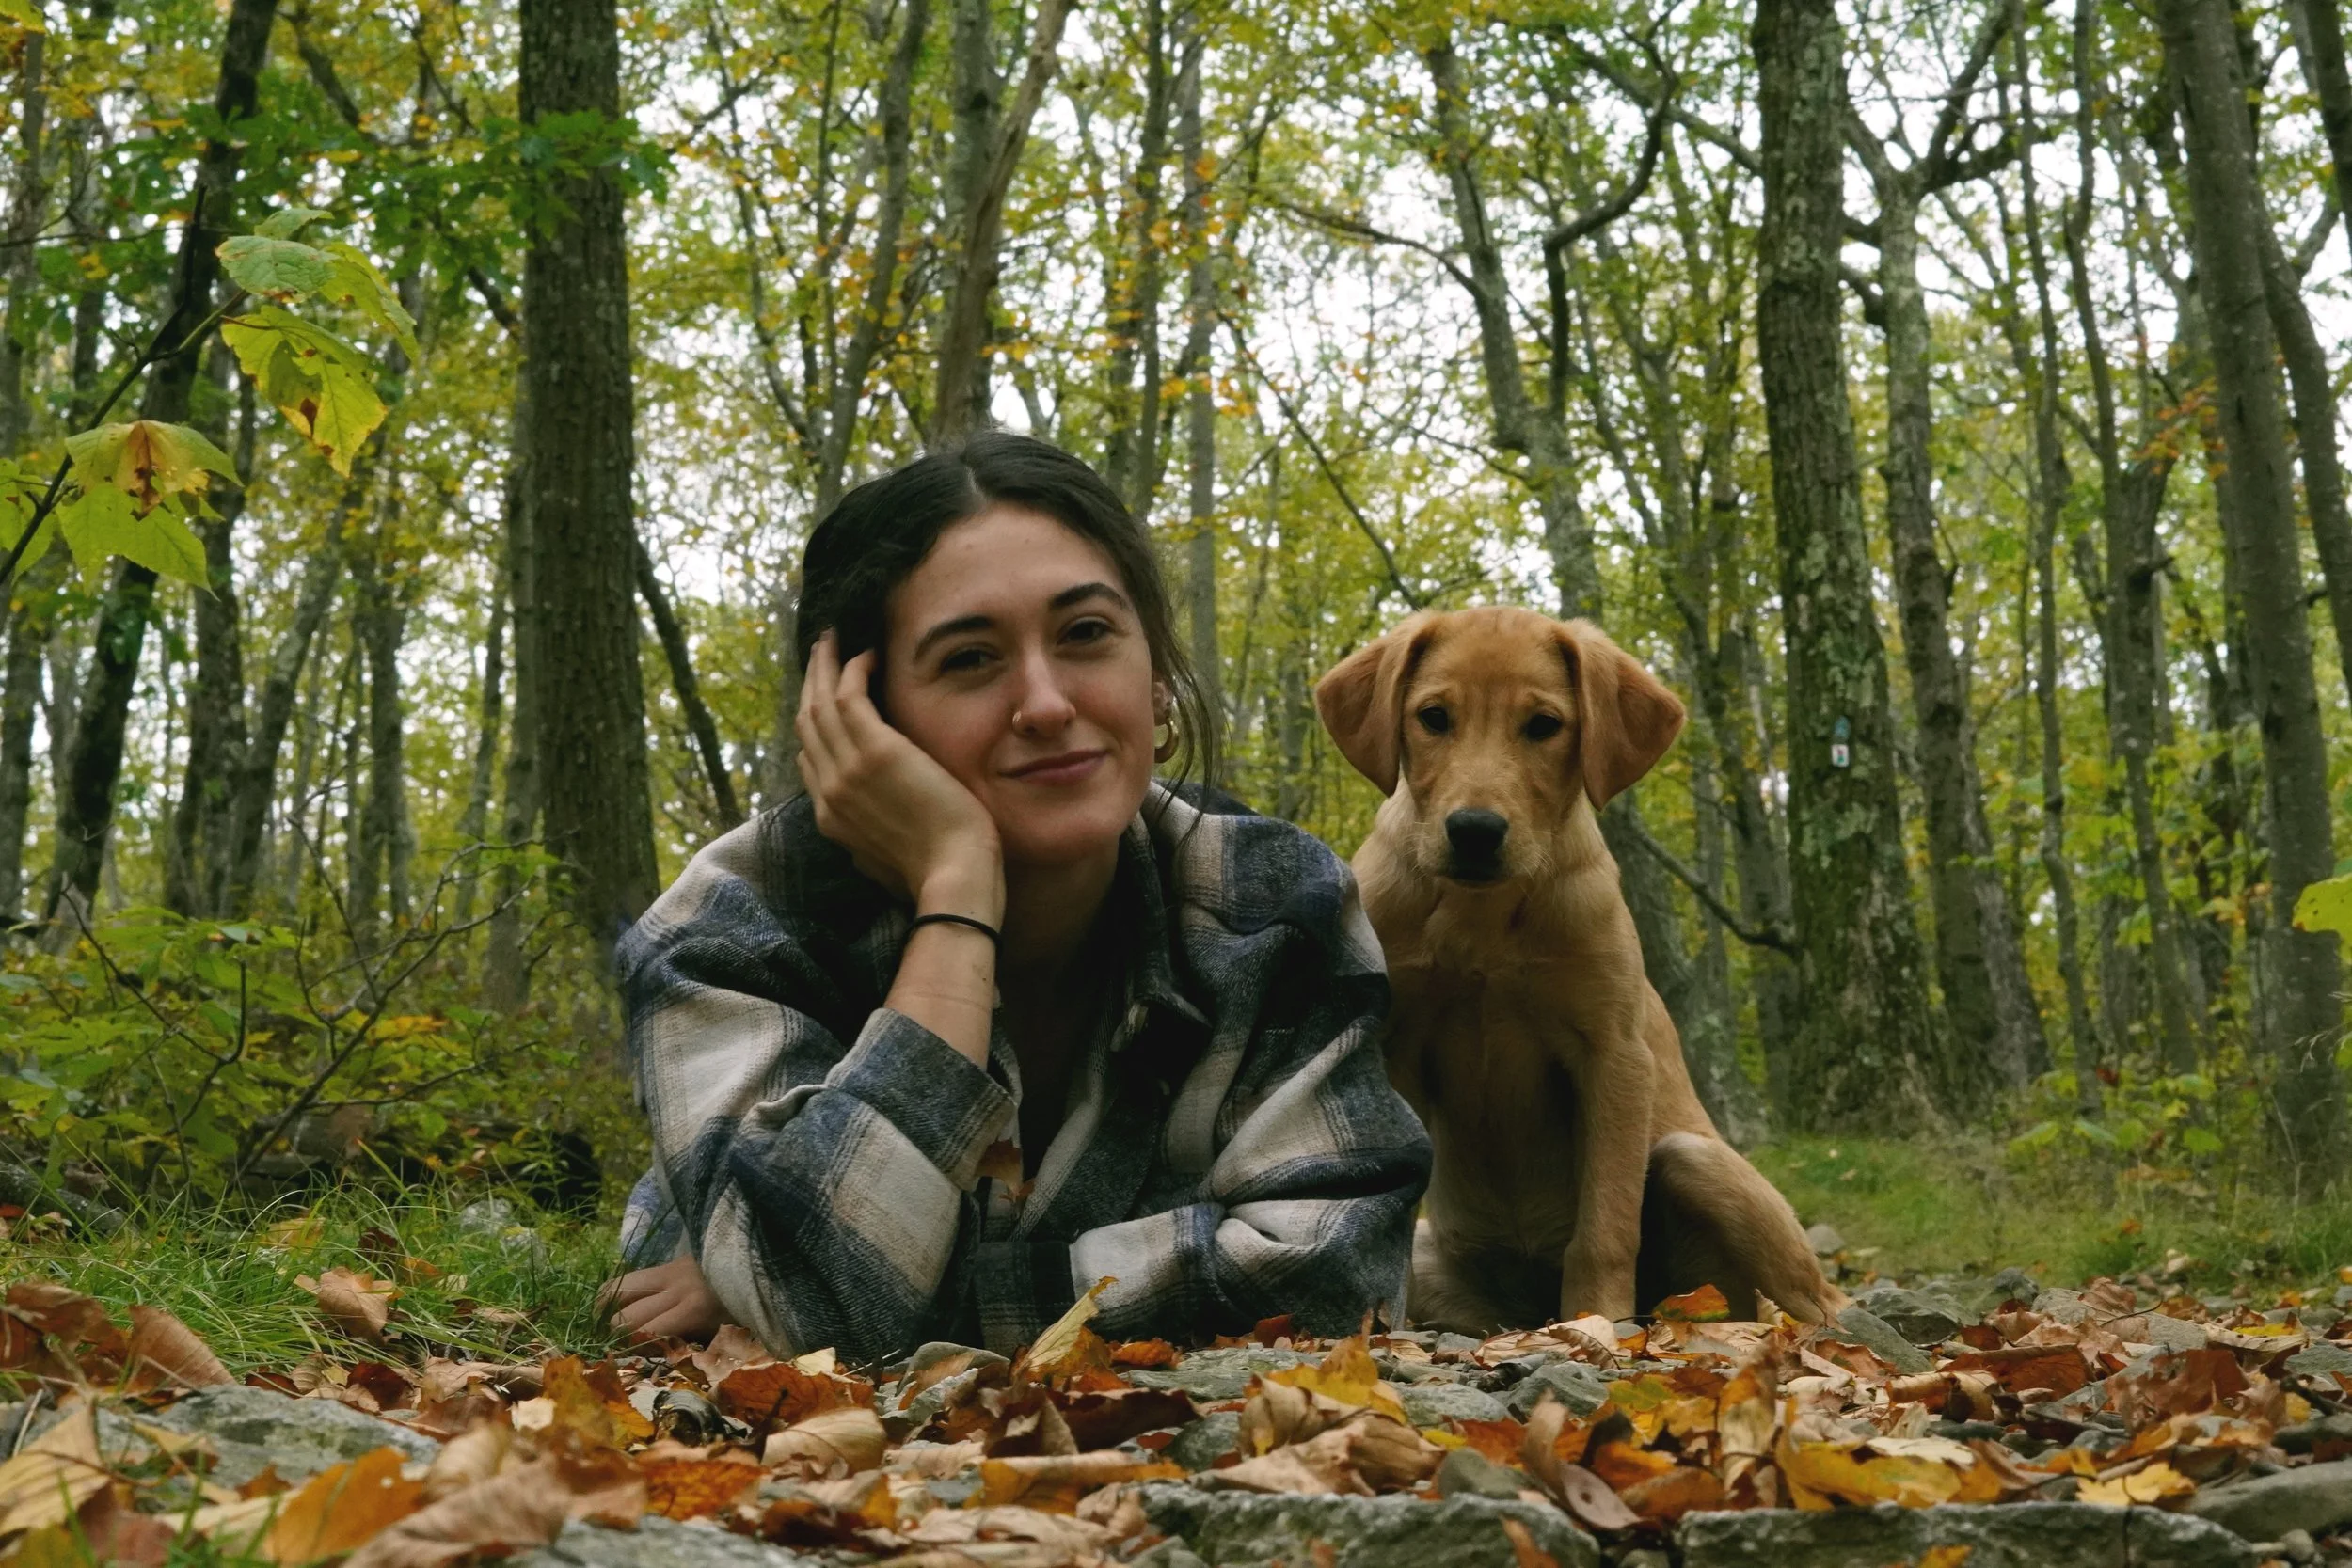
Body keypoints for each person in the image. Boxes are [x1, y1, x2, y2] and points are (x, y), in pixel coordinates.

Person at [602, 431, 1430, 1363]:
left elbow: (1331, 1282)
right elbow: (829, 1290)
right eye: (968, 659)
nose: (1043, 702)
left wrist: (850, 1288)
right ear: (867, 718)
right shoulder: (734, 926)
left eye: (1085, 635)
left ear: (1155, 679)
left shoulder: (1272, 908)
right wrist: (957, 890)